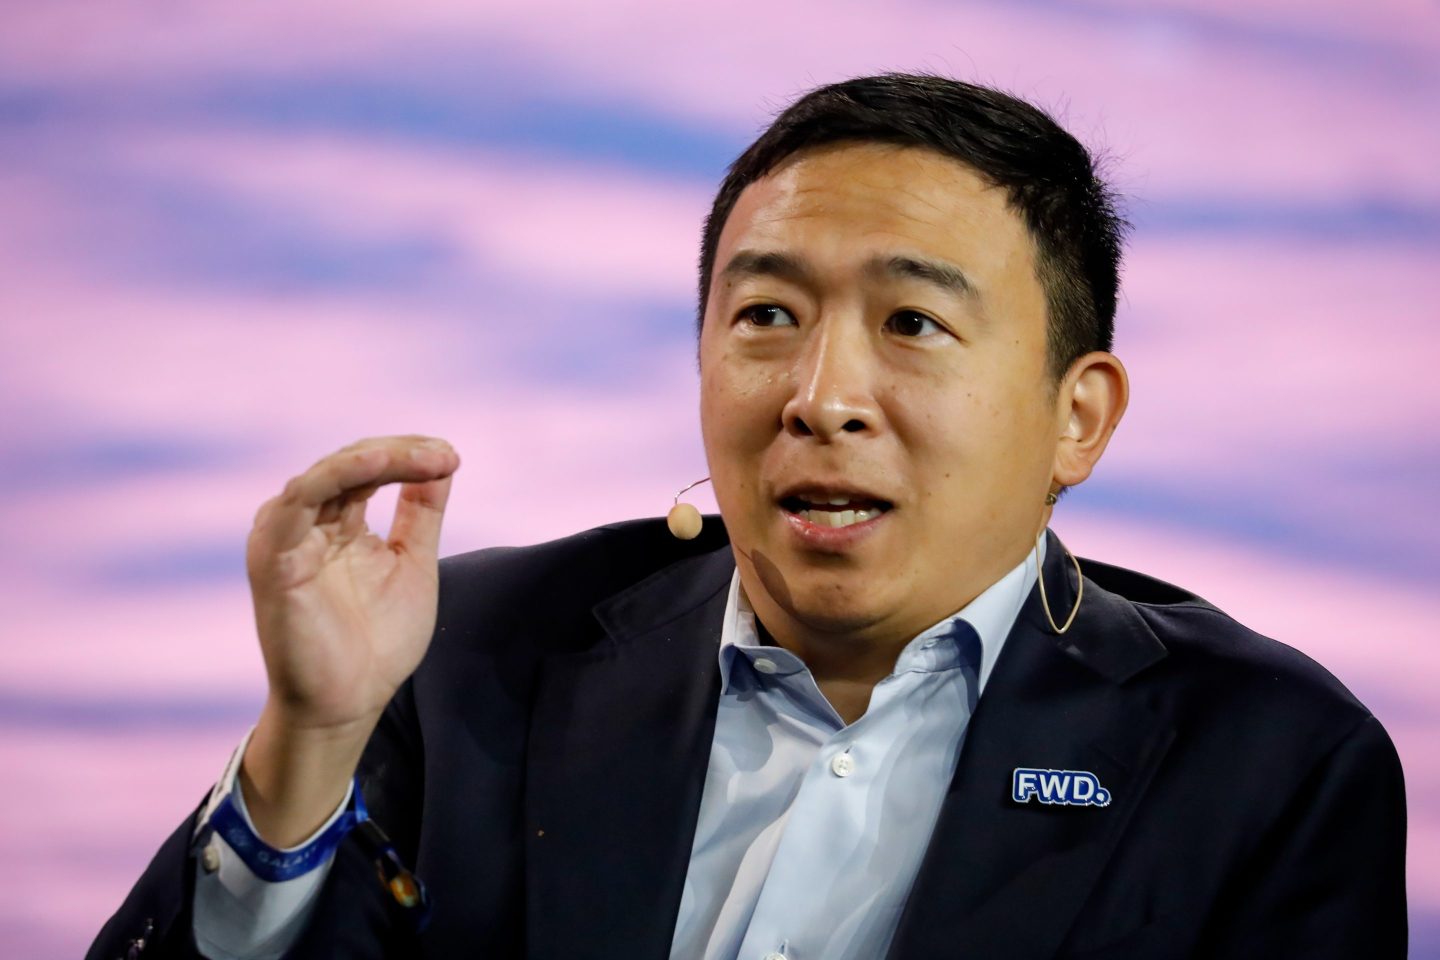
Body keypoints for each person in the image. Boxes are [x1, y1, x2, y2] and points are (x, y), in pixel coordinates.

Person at [89, 73, 1407, 960]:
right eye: (767, 315)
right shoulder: (470, 652)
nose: (821, 396)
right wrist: (308, 748)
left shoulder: (1264, 762)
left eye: (914, 323)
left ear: (1080, 414)